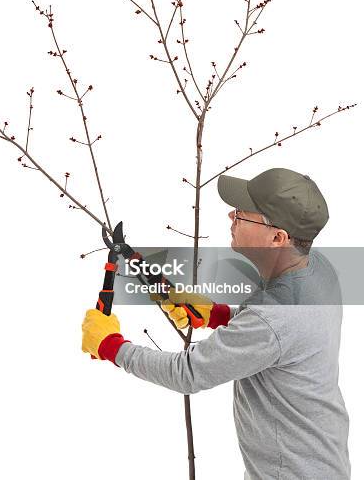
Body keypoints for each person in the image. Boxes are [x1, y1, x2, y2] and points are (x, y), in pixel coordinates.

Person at [82, 167, 351, 479]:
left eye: (241, 215)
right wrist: (218, 315)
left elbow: (187, 373)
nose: (231, 218)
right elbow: (279, 333)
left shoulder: (274, 318)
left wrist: (110, 346)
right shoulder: (316, 268)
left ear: (278, 237)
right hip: (323, 460)